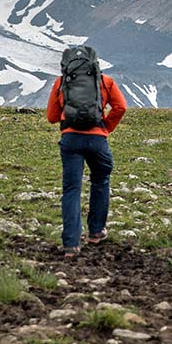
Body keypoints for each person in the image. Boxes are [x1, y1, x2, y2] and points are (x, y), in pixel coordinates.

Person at [46, 46, 127, 257]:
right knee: (100, 181)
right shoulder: (104, 81)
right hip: (98, 139)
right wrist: (106, 127)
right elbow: (120, 107)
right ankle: (96, 232)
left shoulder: (61, 83)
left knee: (72, 189)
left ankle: (71, 244)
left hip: (71, 139)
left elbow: (52, 117)